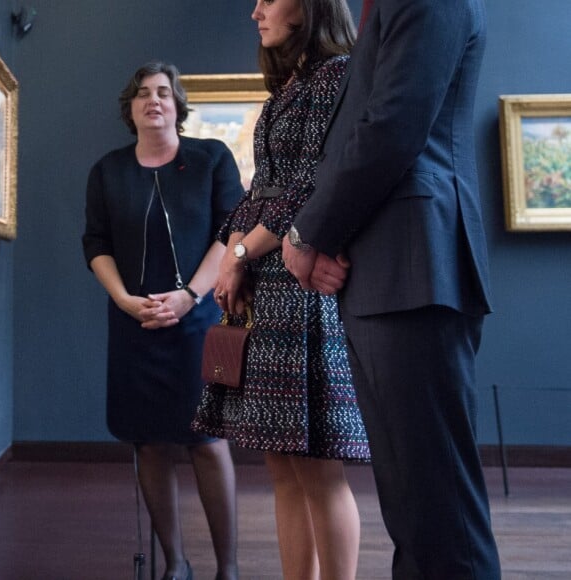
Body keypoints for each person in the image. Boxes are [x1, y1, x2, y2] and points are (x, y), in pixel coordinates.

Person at [282, 0, 502, 578]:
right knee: (413, 506)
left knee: (439, 510)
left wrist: (309, 233)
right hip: (390, 272)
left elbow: (393, 125)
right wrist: (325, 237)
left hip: (415, 270)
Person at [192, 1, 370, 579]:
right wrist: (231, 254)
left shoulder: (337, 75)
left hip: (299, 289)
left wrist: (241, 253)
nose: (255, 11)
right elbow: (257, 190)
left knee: (318, 467)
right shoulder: (284, 92)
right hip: (265, 291)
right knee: (282, 463)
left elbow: (312, 183)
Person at [82, 61, 244, 580]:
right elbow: (96, 244)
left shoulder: (211, 159)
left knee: (209, 441)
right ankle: (175, 564)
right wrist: (127, 299)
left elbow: (232, 233)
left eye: (164, 93)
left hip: (204, 321)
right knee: (149, 441)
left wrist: (190, 296)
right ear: (130, 109)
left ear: (177, 106)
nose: (154, 100)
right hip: (135, 324)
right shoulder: (107, 170)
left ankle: (229, 568)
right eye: (143, 93)